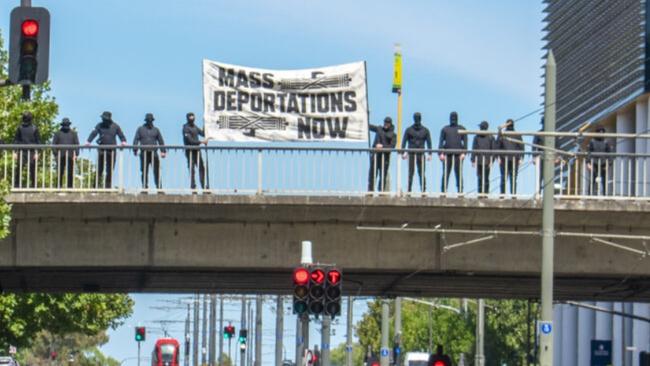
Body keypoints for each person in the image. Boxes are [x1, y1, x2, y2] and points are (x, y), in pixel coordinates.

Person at [86, 111, 127, 188]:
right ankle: (95, 187)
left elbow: (121, 135)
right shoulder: (99, 125)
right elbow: (94, 133)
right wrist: (88, 141)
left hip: (112, 150)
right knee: (99, 169)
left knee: (110, 170)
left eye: (104, 119)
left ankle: (107, 187)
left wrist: (123, 142)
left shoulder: (115, 126)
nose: (103, 120)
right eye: (102, 118)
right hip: (101, 150)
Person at [133, 113, 166, 190]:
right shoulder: (140, 129)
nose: (149, 122)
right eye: (148, 120)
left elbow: (161, 140)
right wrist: (135, 149)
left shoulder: (156, 130)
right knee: (144, 171)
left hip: (153, 153)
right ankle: (144, 188)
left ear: (152, 121)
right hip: (143, 153)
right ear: (146, 121)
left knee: (156, 171)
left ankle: (159, 188)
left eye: (150, 120)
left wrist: (163, 151)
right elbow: (136, 139)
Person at [401, 112, 432, 193]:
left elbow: (429, 142)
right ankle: (409, 190)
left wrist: (430, 153)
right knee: (411, 172)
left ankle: (423, 190)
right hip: (411, 153)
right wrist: (403, 152)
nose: (417, 119)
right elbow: (404, 141)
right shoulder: (409, 130)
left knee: (421, 172)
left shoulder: (425, 130)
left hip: (421, 154)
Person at [438, 111, 467, 193]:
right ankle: (443, 191)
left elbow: (465, 142)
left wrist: (464, 153)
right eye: (452, 117)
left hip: (458, 155)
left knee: (459, 173)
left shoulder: (462, 129)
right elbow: (440, 142)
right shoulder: (445, 129)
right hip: (447, 155)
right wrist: (441, 153)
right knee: (446, 173)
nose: (453, 119)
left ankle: (460, 191)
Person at [12, 111, 41, 188]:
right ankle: (17, 185)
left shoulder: (34, 128)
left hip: (32, 151)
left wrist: (37, 153)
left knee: (33, 169)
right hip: (22, 151)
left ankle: (34, 185)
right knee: (19, 168)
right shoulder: (20, 128)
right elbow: (16, 140)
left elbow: (38, 141)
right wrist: (15, 152)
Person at [496, 119, 524, 195]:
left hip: (506, 158)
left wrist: (498, 157)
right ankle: (512, 194)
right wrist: (521, 158)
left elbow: (497, 144)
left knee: (505, 177)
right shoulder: (517, 134)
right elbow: (522, 147)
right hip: (512, 158)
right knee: (512, 177)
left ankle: (504, 194)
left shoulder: (504, 134)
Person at [368, 117, 396, 192]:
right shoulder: (379, 129)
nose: (386, 124)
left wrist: (382, 147)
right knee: (372, 174)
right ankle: (370, 191)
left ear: (390, 124)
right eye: (385, 122)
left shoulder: (393, 135)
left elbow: (392, 146)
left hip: (385, 158)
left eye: (387, 123)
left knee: (383, 175)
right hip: (375, 156)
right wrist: (365, 119)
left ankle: (381, 191)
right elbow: (369, 127)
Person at [183, 112, 208, 190]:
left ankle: (203, 186)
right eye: (190, 117)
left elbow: (203, 134)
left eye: (193, 117)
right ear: (188, 118)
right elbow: (190, 140)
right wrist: (201, 142)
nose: (192, 119)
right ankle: (193, 185)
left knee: (201, 168)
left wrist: (206, 124)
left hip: (197, 151)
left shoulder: (195, 127)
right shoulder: (185, 128)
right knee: (192, 168)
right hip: (190, 151)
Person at [52, 117, 80, 188]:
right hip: (60, 156)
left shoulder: (74, 133)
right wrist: (56, 154)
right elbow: (53, 145)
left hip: (71, 156)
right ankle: (58, 187)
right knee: (60, 172)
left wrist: (76, 154)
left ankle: (70, 188)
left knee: (70, 172)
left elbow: (77, 144)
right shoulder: (57, 133)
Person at [471, 121, 495, 195]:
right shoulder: (490, 136)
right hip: (484, 160)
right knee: (484, 177)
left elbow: (474, 148)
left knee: (482, 177)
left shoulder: (477, 137)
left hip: (482, 160)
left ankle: (482, 193)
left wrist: (473, 160)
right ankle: (484, 193)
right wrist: (492, 160)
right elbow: (493, 150)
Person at [587, 126, 612, 196]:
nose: (601, 133)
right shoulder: (592, 141)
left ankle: (605, 195)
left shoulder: (606, 142)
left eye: (602, 132)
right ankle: (590, 195)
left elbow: (609, 154)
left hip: (603, 163)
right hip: (594, 163)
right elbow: (589, 152)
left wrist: (608, 164)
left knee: (604, 180)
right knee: (592, 180)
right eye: (599, 132)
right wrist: (588, 163)